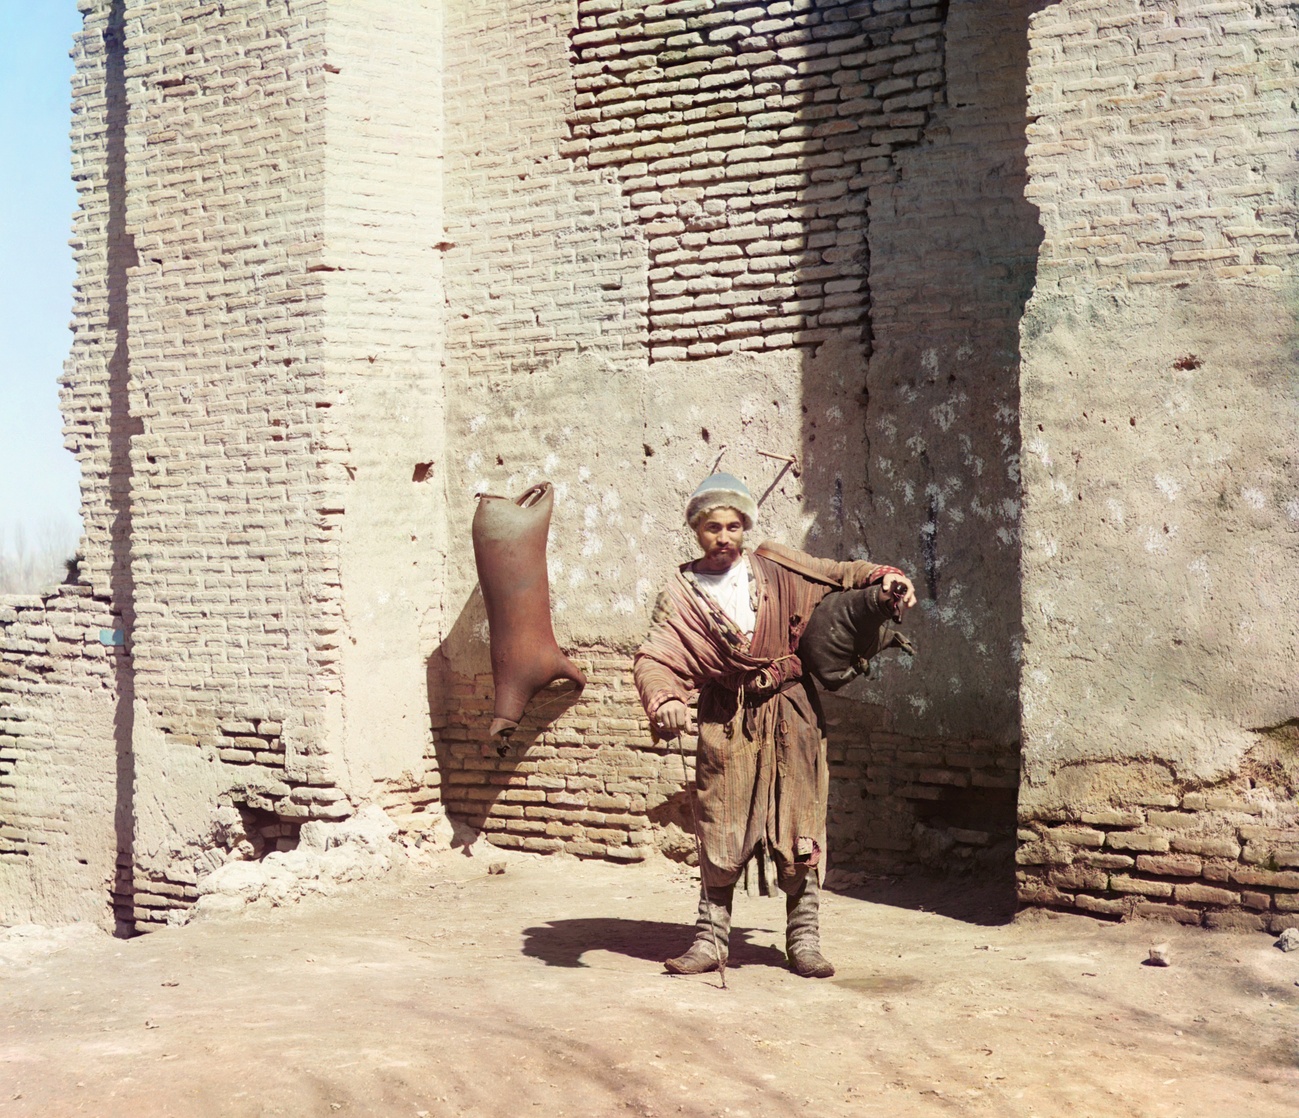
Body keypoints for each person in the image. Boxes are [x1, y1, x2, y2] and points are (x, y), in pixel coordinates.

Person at [633, 473, 916, 978]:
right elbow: (656, 656)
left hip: (792, 712)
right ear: (696, 530)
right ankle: (710, 940)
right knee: (719, 822)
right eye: (712, 527)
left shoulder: (776, 565)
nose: (724, 537)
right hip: (727, 717)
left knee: (800, 822)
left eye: (733, 526)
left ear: (745, 526)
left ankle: (804, 940)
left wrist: (888, 579)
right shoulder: (679, 595)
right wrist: (666, 698)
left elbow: (841, 574)